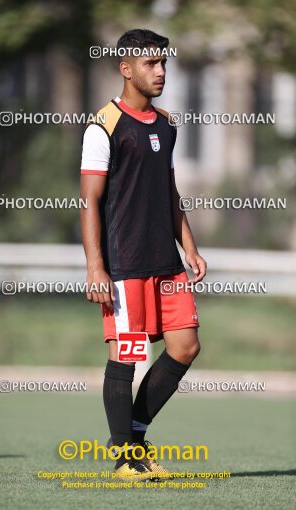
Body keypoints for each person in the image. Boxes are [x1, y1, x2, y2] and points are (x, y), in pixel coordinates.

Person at [80, 28, 207, 481]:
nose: (161, 72)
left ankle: (133, 435)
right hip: (124, 262)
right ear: (126, 68)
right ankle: (124, 460)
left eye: (164, 63)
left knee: (185, 346)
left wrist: (188, 246)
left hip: (166, 260)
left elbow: (170, 192)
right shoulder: (103, 125)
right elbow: (90, 201)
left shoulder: (168, 124)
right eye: (152, 64)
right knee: (128, 357)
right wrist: (95, 266)